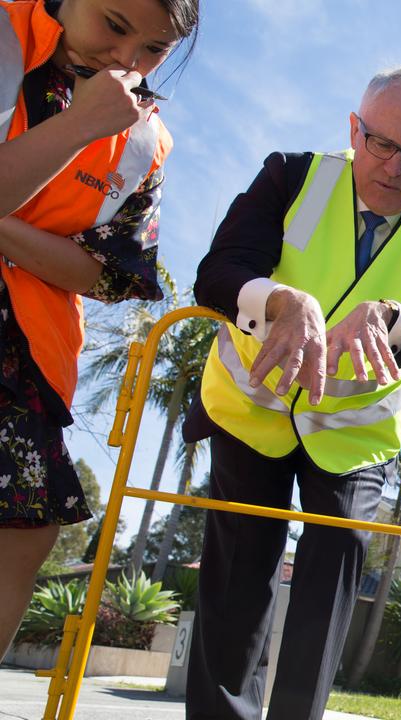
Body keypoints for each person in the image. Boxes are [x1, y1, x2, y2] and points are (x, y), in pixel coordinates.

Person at [182, 66, 401, 719]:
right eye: (380, 144)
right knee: (239, 575)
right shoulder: (289, 173)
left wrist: (394, 317)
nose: (395, 168)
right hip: (250, 412)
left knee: (337, 554)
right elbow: (217, 273)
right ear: (355, 129)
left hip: (354, 434)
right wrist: (278, 299)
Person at [0, 0, 198, 658]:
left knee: (24, 530)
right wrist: (79, 125)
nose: (126, 60)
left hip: (29, 351)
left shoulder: (145, 139)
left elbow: (110, 274)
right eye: (114, 25)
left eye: (153, 50)